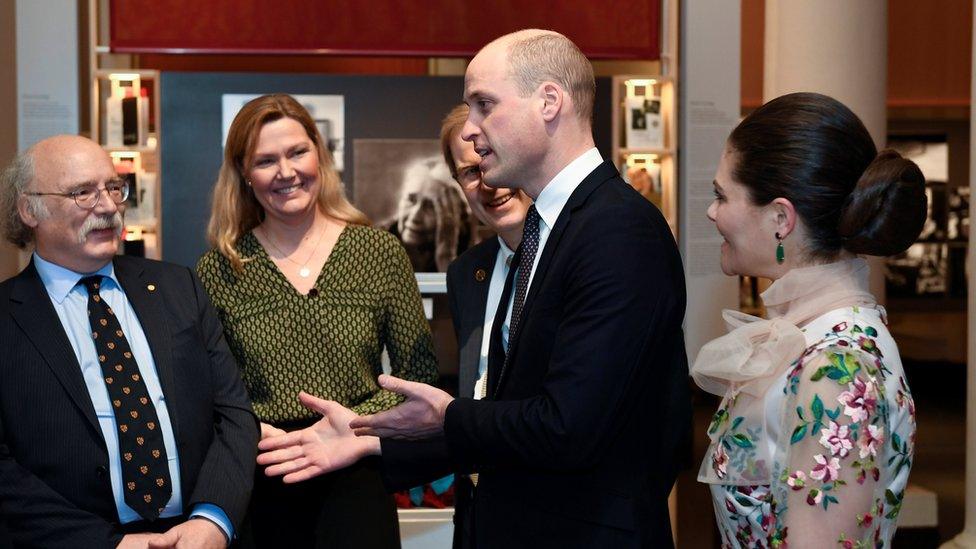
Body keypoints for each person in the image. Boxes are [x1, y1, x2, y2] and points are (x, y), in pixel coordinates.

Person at [258, 30, 691, 549]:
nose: (473, 128)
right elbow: (511, 417)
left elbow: (567, 427)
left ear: (549, 101)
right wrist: (376, 439)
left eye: (484, 105)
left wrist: (446, 415)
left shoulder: (616, 230)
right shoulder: (548, 235)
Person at [195, 93, 439, 549]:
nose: (286, 172)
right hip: (265, 473)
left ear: (320, 156)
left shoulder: (378, 252)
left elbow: (417, 374)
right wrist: (248, 428)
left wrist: (355, 423)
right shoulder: (221, 269)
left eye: (297, 152)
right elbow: (208, 388)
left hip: (356, 470)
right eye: (265, 160)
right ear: (245, 176)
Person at [0, 135, 259, 548]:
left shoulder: (179, 288)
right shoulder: (8, 318)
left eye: (113, 188)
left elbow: (233, 413)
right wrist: (111, 544)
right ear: (30, 209)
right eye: (82, 192)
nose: (107, 207)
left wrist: (213, 519)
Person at [692, 92, 925, 547]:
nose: (711, 211)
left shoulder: (838, 367)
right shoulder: (812, 334)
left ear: (781, 218)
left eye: (721, 195)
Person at [379, 103, 532, 547]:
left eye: (493, 161)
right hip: (481, 522)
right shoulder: (468, 274)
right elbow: (472, 408)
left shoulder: (582, 259)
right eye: (469, 172)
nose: (488, 182)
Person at [386, 154, 476, 272]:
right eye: (411, 200)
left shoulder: (477, 258)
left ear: (456, 217)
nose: (415, 217)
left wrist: (446, 257)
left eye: (430, 207)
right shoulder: (377, 245)